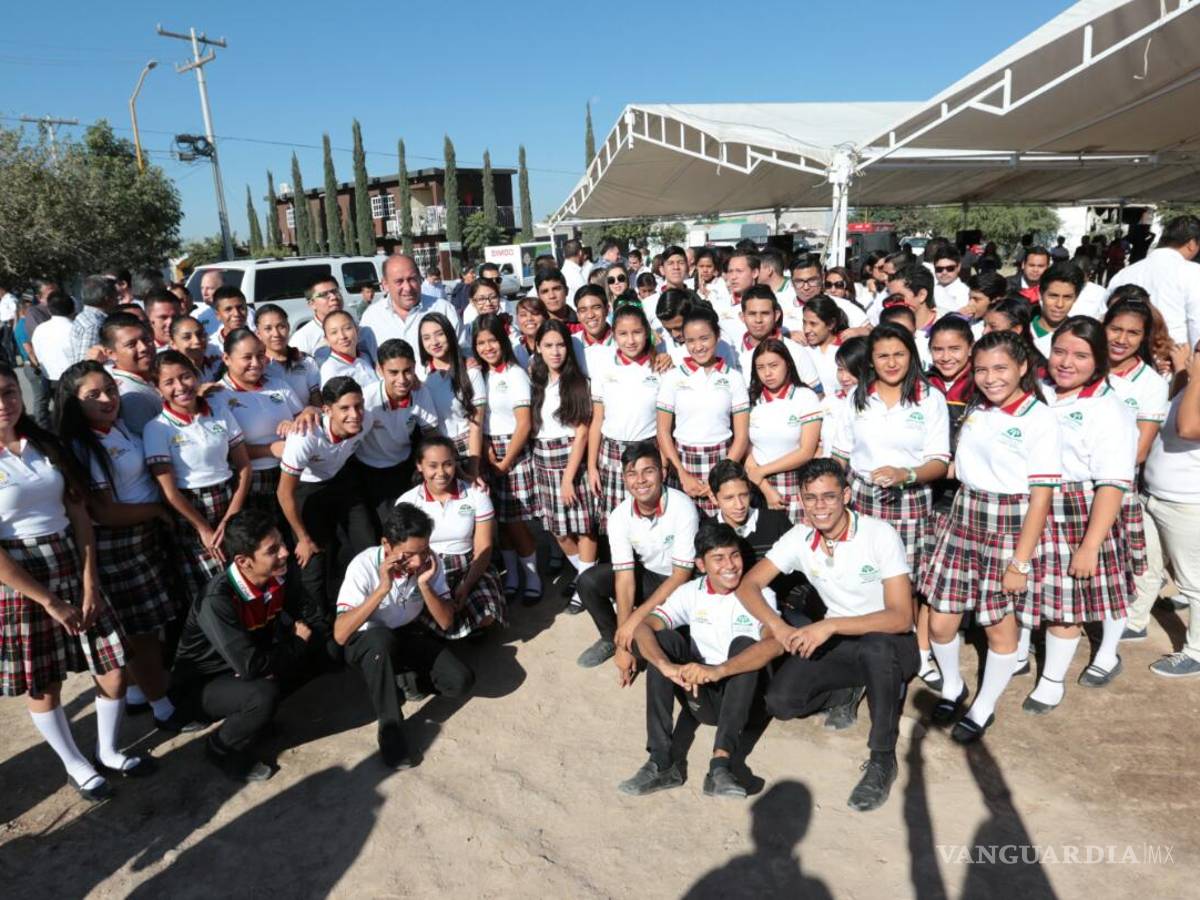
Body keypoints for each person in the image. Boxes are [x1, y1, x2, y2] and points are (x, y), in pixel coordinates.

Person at [735, 458, 919, 811]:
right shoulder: (800, 537)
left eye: (829, 496)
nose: (819, 506)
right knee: (781, 703)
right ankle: (848, 689)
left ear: (846, 496)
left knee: (876, 651)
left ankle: (882, 758)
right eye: (811, 497)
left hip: (891, 642)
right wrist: (778, 627)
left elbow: (900, 617)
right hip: (841, 642)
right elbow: (749, 585)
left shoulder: (879, 534)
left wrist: (829, 625)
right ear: (801, 499)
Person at [0, 364, 147, 802]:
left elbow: (79, 512)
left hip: (69, 558)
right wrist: (48, 600)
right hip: (22, 581)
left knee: (113, 665)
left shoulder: (46, 445)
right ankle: (74, 764)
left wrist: (89, 581)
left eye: (9, 391)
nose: (4, 403)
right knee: (44, 683)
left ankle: (108, 750)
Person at [919, 332, 1060, 743]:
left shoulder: (1038, 418)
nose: (990, 378)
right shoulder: (978, 408)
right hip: (964, 517)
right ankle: (952, 686)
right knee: (941, 622)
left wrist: (1020, 562)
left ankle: (983, 706)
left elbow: (1041, 496)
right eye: (981, 369)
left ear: (1022, 367)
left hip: (1009, 524)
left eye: (1000, 368)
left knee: (1000, 628)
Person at [56, 361, 194, 731]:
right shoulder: (83, 446)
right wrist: (158, 509)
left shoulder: (116, 428)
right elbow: (105, 512)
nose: (107, 399)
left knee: (150, 628)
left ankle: (138, 694)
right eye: (94, 395)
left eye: (110, 390)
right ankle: (163, 709)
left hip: (143, 536)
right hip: (120, 544)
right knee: (142, 632)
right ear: (73, 402)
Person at [619, 520, 780, 799]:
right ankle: (661, 761)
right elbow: (644, 627)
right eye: (719, 558)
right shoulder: (691, 592)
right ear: (701, 565)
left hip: (746, 700)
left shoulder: (761, 593)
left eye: (734, 555)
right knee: (664, 641)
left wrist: (719, 670)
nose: (730, 565)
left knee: (745, 645)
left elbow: (775, 643)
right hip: (703, 697)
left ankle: (720, 766)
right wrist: (664, 665)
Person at [1023, 317, 1136, 713]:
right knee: (1027, 586)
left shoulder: (1108, 409)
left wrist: (1089, 546)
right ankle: (1019, 652)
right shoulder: (1038, 389)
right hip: (1030, 501)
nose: (1066, 362)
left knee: (1066, 602)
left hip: (1075, 510)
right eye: (1060, 351)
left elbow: (1112, 484)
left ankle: (1052, 680)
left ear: (1099, 359)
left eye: (1081, 355)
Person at [832, 323, 949, 691]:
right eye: (883, 355)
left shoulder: (929, 398)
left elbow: (940, 461)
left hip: (910, 498)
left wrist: (906, 474)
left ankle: (920, 652)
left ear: (912, 355)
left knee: (910, 581)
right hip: (863, 498)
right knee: (868, 576)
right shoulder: (857, 398)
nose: (892, 362)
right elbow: (840, 454)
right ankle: (872, 653)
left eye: (899, 354)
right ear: (871, 360)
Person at [171, 509, 319, 782]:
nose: (285, 552)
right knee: (262, 694)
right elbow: (251, 666)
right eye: (272, 550)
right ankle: (222, 747)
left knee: (318, 656)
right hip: (202, 684)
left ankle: (255, 723)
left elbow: (307, 613)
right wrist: (297, 643)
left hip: (243, 664)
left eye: (281, 543)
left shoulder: (276, 575)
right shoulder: (217, 600)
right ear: (243, 561)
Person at [334, 502, 475, 769]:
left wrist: (425, 585)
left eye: (424, 551)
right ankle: (390, 731)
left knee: (460, 681)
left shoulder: (429, 564)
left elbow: (446, 622)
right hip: (368, 641)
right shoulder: (363, 565)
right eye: (409, 555)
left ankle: (406, 680)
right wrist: (382, 588)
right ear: (386, 545)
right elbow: (340, 634)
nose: (418, 561)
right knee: (381, 642)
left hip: (405, 633)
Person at [576, 441, 699, 671]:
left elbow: (681, 575)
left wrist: (634, 620)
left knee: (673, 644)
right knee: (588, 581)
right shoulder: (619, 516)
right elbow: (624, 578)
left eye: (648, 471)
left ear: (662, 473)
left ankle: (636, 638)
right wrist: (623, 642)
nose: (640, 480)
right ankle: (612, 638)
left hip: (681, 585)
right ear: (624, 479)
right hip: (649, 577)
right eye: (632, 474)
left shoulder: (683, 507)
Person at [145, 350, 253, 605]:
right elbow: (169, 491)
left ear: (196, 375)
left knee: (246, 579)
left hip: (230, 501)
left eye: (185, 376)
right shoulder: (157, 428)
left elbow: (244, 466)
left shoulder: (219, 411)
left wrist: (231, 516)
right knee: (214, 592)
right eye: (169, 382)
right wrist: (203, 528)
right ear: (157, 388)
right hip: (192, 514)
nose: (181, 387)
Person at [276, 376, 375, 629]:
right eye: (345, 408)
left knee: (366, 545)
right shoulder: (305, 436)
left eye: (359, 406)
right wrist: (302, 538)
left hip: (341, 481)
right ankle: (319, 626)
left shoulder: (366, 420)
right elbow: (284, 493)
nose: (354, 415)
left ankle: (363, 612)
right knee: (314, 560)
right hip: (307, 490)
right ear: (327, 410)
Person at [396, 437, 507, 638]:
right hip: (427, 569)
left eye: (448, 464)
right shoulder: (407, 502)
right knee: (419, 615)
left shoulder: (475, 494)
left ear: (455, 463)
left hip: (469, 566)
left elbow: (484, 547)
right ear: (419, 466)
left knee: (486, 616)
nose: (441, 473)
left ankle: (466, 624)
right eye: (433, 466)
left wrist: (467, 585)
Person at [1136, 351, 1200, 677]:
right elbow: (1168, 417)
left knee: (1194, 583)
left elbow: (1187, 427)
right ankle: (1134, 622)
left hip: (1188, 504)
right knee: (1146, 567)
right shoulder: (1192, 386)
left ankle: (1196, 652)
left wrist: (1196, 374)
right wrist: (1183, 375)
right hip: (1155, 496)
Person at [530, 320, 598, 612]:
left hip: (571, 459)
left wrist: (569, 477)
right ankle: (586, 576)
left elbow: (582, 433)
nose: (555, 351)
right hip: (543, 461)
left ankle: (586, 585)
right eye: (548, 345)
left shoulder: (578, 383)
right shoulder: (535, 381)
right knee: (558, 530)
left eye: (560, 345)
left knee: (584, 528)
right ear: (538, 347)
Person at [473, 314, 541, 604]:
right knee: (499, 523)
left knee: (515, 522)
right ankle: (512, 577)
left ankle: (533, 578)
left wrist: (505, 461)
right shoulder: (480, 375)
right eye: (480, 343)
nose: (487, 348)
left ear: (502, 341)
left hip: (513, 452)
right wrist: (486, 449)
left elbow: (524, 424)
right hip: (489, 449)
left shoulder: (515, 374)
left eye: (492, 341)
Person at [657, 305, 750, 515]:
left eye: (704, 338)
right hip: (681, 463)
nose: (698, 347)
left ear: (717, 336)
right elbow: (663, 432)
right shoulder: (672, 377)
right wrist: (682, 473)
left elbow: (742, 436)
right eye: (690, 340)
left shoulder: (733, 378)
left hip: (723, 461)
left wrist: (720, 476)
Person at [587, 305, 662, 523]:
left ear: (646, 332)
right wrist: (592, 466)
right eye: (623, 334)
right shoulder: (604, 367)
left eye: (636, 332)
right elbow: (597, 420)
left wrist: (664, 463)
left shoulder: (660, 367)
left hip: (649, 449)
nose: (630, 340)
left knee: (651, 517)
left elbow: (666, 424)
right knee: (618, 520)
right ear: (614, 335)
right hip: (612, 454)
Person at [216, 328, 308, 505]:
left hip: (293, 472)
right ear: (226, 358)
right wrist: (269, 449)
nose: (256, 363)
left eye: (260, 355)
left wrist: (301, 420)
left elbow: (303, 419)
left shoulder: (278, 384)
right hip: (252, 481)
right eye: (247, 357)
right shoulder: (217, 397)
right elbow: (221, 451)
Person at [356, 339, 438, 520]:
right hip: (369, 470)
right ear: (379, 370)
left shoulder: (420, 392)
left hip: (405, 467)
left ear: (414, 367)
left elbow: (431, 433)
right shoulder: (366, 400)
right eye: (393, 372)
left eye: (407, 371)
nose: (402, 379)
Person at [707, 460, 806, 608]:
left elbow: (803, 569)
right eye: (729, 498)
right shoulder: (707, 530)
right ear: (713, 498)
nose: (739, 505)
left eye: (744, 495)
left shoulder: (776, 521)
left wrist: (794, 599)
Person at [745, 338, 823, 520]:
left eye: (774, 365)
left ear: (787, 364)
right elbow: (748, 451)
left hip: (795, 482)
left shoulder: (805, 397)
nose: (767, 373)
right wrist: (764, 486)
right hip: (758, 485)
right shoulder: (752, 400)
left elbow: (806, 451)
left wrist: (762, 472)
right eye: (760, 367)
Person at [1107, 215, 1200, 346]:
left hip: (1128, 350)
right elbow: (1197, 323)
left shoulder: (1124, 273)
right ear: (1192, 244)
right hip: (1175, 352)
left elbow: (1106, 316)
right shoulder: (1194, 272)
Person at [418, 312, 486, 474]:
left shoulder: (470, 371)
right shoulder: (420, 376)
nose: (434, 342)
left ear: (450, 334)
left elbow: (476, 424)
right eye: (426, 338)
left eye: (439, 334)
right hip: (437, 454)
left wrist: (473, 467)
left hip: (471, 450)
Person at [362, 254, 461, 348]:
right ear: (385, 284)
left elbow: (464, 350)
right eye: (399, 281)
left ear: (420, 279)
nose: (407, 288)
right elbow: (363, 354)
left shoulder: (443, 310)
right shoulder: (372, 317)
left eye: (412, 279)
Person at [738, 286, 823, 391]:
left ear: (776, 315)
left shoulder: (796, 351)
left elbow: (816, 394)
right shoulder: (734, 352)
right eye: (752, 314)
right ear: (742, 317)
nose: (758, 320)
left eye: (765, 313)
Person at [99, 312, 163, 438]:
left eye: (146, 339)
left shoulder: (148, 377)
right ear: (111, 353)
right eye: (131, 345)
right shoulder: (131, 397)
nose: (143, 348)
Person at [256, 302, 322, 406]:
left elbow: (317, 398)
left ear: (288, 327)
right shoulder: (257, 367)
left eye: (281, 326)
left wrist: (313, 410)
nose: (276, 334)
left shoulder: (306, 361)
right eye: (268, 329)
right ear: (258, 334)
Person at [885, 264, 939, 366]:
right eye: (890, 298)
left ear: (921, 295)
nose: (892, 302)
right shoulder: (888, 326)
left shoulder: (948, 325)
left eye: (899, 297)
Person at [289, 276, 356, 358]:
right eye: (324, 294)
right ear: (312, 304)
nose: (334, 297)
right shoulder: (302, 338)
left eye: (335, 291)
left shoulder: (357, 328)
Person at [1029, 262, 1084, 357]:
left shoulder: (1082, 337)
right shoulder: (1023, 332)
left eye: (1067, 297)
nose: (1059, 304)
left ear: (1076, 297)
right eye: (1053, 296)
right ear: (1040, 294)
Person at [800, 295, 850, 397]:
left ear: (831, 324)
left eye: (813, 324)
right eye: (804, 323)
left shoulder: (848, 348)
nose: (806, 330)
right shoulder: (800, 348)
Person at [318, 310, 378, 388]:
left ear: (357, 330)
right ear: (327, 339)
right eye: (334, 332)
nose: (342, 336)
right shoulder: (330, 369)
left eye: (347, 328)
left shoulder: (365, 357)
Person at [30, 291, 75, 390]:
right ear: (73, 309)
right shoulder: (76, 329)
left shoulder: (39, 329)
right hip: (72, 380)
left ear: (49, 310)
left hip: (49, 380)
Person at [68, 275, 117, 365]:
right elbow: (86, 364)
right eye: (115, 296)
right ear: (108, 298)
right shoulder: (94, 325)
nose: (118, 300)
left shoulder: (85, 317)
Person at [169, 314, 222, 383]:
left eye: (200, 334)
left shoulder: (216, 362)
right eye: (187, 337)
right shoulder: (172, 374)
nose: (197, 341)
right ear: (173, 344)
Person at [206, 286, 251, 356]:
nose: (236, 314)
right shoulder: (210, 346)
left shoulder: (260, 340)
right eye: (228, 309)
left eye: (241, 308)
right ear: (218, 315)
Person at [931, 246, 969, 317]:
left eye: (950, 268)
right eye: (939, 269)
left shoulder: (966, 293)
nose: (944, 272)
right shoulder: (930, 288)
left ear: (958, 267)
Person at [513, 295, 549, 369]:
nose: (529, 318)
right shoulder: (514, 348)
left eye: (535, 313)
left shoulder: (555, 343)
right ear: (517, 319)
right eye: (523, 315)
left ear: (545, 317)